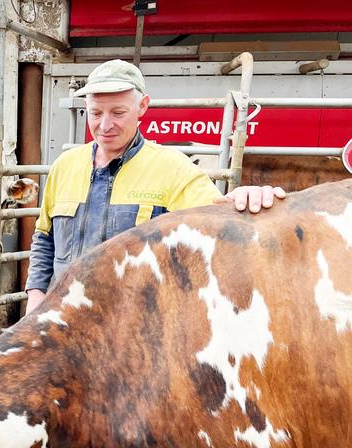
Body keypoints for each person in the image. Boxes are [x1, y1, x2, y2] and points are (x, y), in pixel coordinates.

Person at [25, 59, 286, 313]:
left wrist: (244, 198)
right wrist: (35, 295)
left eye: (118, 113)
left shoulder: (172, 168)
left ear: (142, 106)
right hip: (64, 317)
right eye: (95, 113)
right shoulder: (64, 166)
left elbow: (220, 218)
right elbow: (45, 238)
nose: (104, 125)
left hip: (135, 322)